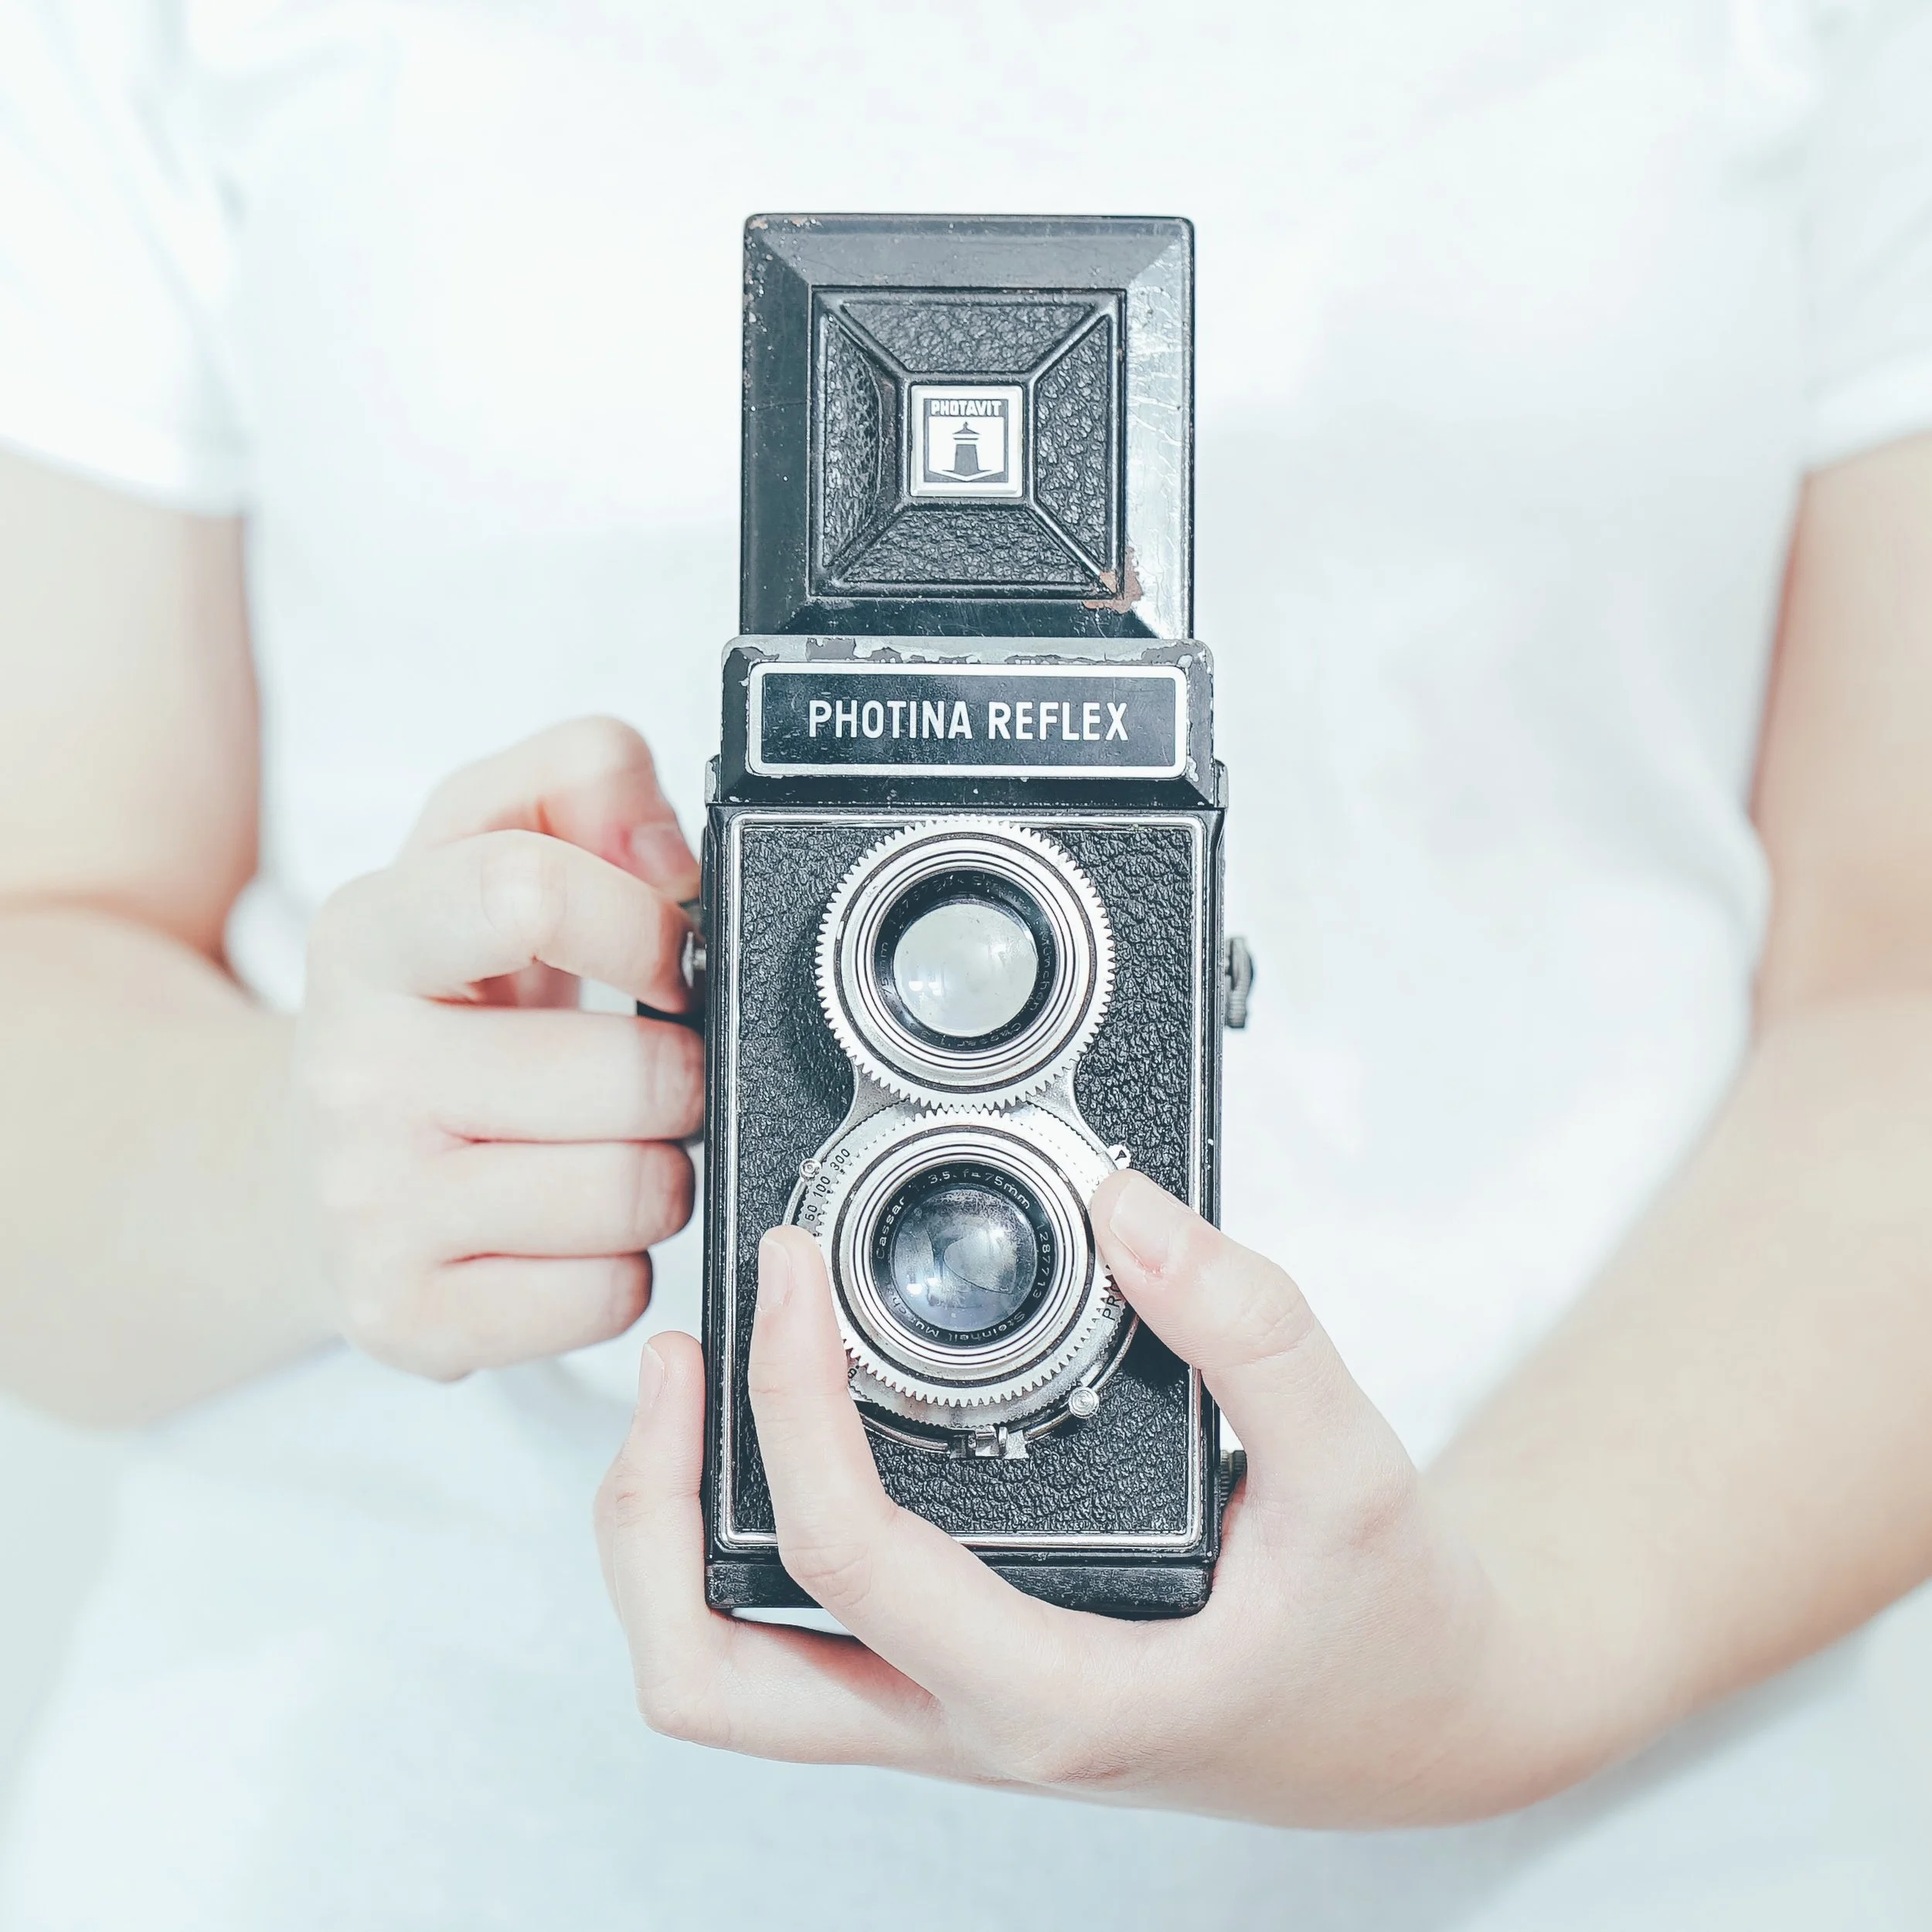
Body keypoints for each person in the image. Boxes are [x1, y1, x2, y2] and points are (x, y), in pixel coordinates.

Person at [2, 1, 1930, 1925]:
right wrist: (316, 1155)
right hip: (378, 1798)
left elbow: (1899, 976)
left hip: (1623, 1805)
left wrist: (1497, 1659)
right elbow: (51, 945)